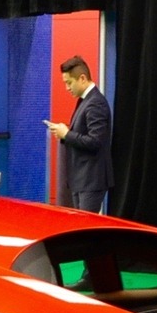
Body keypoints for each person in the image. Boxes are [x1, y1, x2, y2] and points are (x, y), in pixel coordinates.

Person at [44, 55, 112, 211]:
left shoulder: (95, 103)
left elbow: (95, 142)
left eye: (69, 83)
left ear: (82, 78)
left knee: (85, 229)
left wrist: (66, 134)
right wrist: (64, 132)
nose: (67, 88)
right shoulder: (85, 100)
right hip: (81, 179)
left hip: (91, 180)